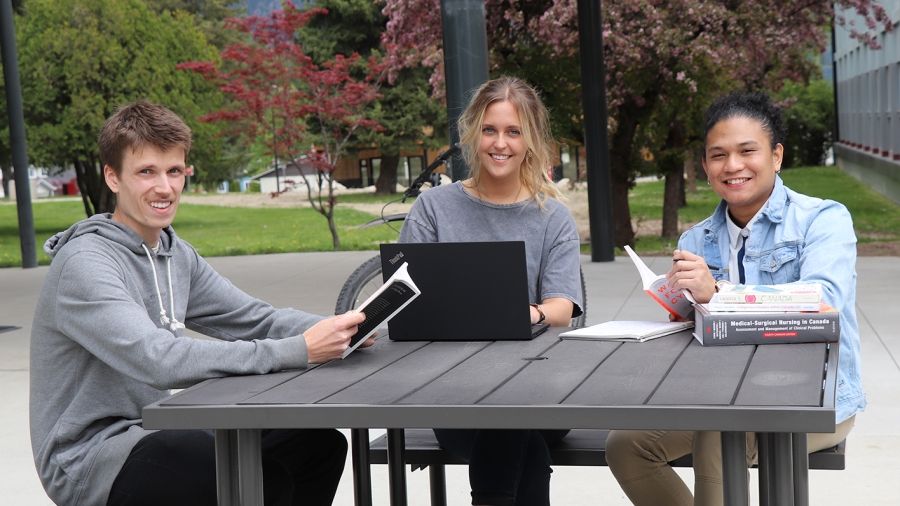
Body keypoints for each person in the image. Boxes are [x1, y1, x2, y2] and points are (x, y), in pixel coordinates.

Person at [29, 101, 367, 506]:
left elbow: (253, 318)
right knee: (261, 481)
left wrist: (340, 328)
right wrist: (300, 350)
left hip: (160, 427)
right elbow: (159, 360)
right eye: (146, 172)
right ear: (113, 177)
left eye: (174, 171)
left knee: (316, 447)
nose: (165, 187)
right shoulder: (85, 264)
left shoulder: (175, 253)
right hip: (93, 456)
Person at [605, 91, 865, 506]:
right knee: (627, 446)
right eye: (718, 155)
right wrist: (682, 314)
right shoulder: (695, 240)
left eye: (747, 151)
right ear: (705, 166)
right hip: (721, 396)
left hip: (813, 402)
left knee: (718, 433)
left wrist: (720, 294)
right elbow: (696, 335)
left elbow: (824, 299)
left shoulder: (822, 219)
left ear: (776, 156)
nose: (732, 165)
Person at [399, 76, 584, 506]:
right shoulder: (433, 208)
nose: (500, 143)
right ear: (472, 134)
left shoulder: (552, 217)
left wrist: (527, 313)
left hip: (539, 390)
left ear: (530, 140)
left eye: (513, 131)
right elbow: (405, 301)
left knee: (510, 414)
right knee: (521, 442)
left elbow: (562, 307)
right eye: (489, 130)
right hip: (454, 394)